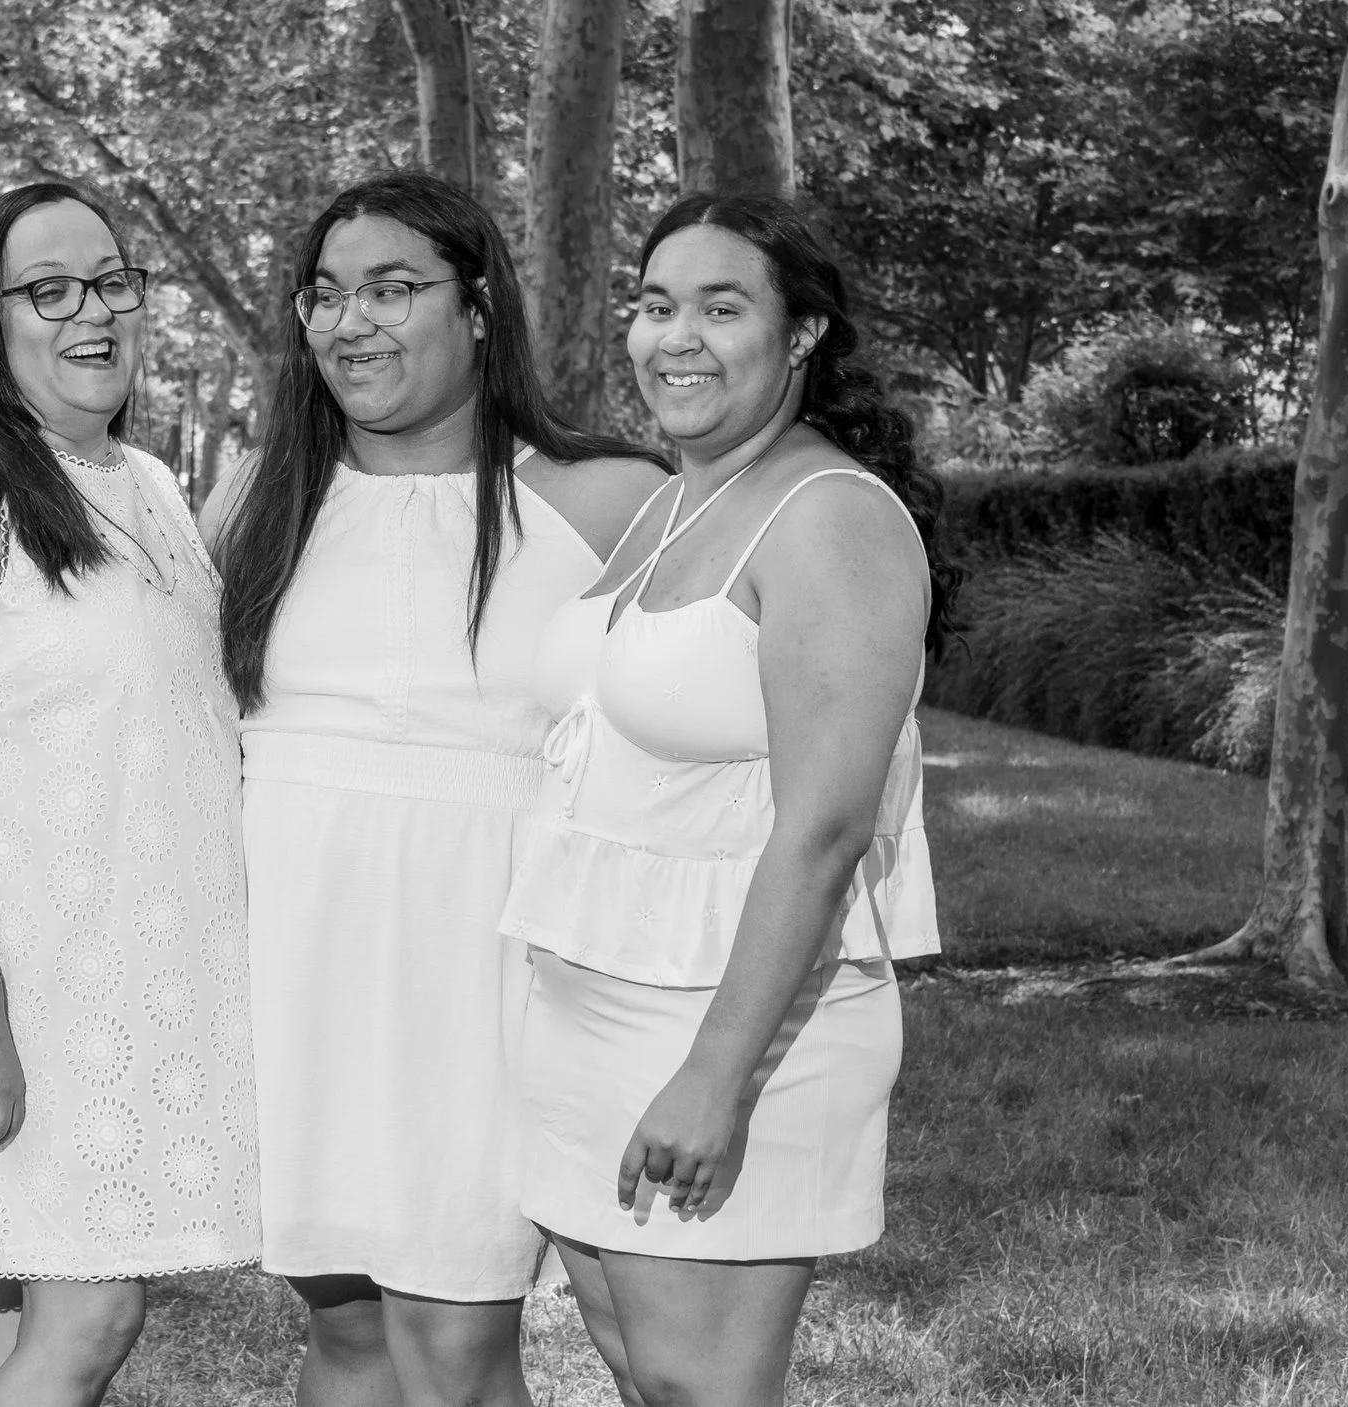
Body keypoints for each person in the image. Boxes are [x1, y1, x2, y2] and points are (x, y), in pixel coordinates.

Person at [204, 170, 669, 1407]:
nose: (352, 321)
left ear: (476, 310)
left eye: (392, 289)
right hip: (296, 957)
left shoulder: (607, 500)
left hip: (491, 963)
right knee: (348, 1334)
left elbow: (710, 712)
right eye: (326, 295)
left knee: (457, 1343)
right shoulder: (254, 503)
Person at [496, 192, 953, 1407]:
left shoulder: (832, 521)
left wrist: (716, 1076)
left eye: (719, 305)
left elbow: (824, 829)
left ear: (800, 334)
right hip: (591, 1003)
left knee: (701, 1389)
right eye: (654, 305)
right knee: (647, 1373)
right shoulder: (669, 496)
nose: (674, 336)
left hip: (727, 1024)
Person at [0, 182, 257, 1407]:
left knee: (34, 1303)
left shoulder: (143, 480)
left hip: (144, 965)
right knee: (90, 1311)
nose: (91, 311)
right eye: (48, 290)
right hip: (34, 973)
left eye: (111, 280)